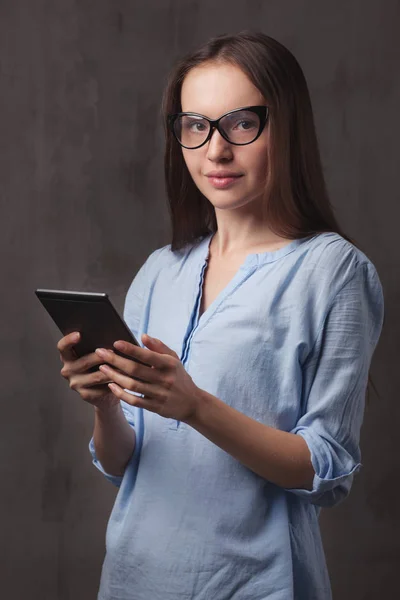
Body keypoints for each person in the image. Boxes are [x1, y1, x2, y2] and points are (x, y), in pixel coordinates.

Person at [58, 31, 384, 600]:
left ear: (287, 126)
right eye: (195, 126)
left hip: (257, 583)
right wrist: (106, 403)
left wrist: (197, 407)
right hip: (133, 578)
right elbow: (121, 464)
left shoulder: (334, 272)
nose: (215, 150)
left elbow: (325, 469)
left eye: (240, 123)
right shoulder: (161, 270)